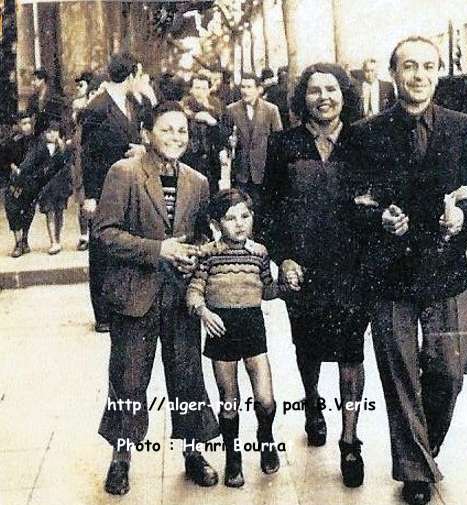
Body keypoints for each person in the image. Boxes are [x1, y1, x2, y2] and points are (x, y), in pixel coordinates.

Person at [348, 36, 467, 505]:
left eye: (428, 66)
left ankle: (422, 452)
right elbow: (352, 202)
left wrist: (462, 218)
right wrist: (378, 218)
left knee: (449, 371)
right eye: (409, 66)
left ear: (438, 73)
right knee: (399, 372)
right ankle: (416, 474)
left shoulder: (464, 129)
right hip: (390, 275)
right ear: (393, 74)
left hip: (446, 272)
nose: (419, 75)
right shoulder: (366, 133)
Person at [93, 101, 219, 496]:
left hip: (179, 298)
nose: (176, 138)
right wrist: (158, 249)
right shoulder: (124, 173)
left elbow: (198, 237)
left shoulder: (198, 181)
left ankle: (193, 451)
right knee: (129, 380)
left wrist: (197, 254)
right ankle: (121, 457)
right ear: (148, 133)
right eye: (167, 130)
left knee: (187, 377)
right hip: (135, 296)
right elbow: (105, 233)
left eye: (182, 131)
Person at [263, 62, 371, 488]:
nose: (323, 97)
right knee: (306, 345)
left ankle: (350, 440)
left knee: (350, 351)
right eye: (313, 90)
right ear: (301, 98)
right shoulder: (283, 143)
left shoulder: (363, 141)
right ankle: (312, 404)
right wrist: (283, 258)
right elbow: (268, 210)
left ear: (344, 93)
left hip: (352, 268)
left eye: (331, 89)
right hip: (301, 269)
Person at [187, 188, 294, 488]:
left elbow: (268, 290)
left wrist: (287, 288)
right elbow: (194, 290)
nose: (239, 224)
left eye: (245, 216)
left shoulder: (260, 253)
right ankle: (233, 458)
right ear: (216, 224)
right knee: (229, 400)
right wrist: (204, 312)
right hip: (221, 332)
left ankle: (266, 437)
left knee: (266, 399)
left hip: (252, 329)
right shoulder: (208, 254)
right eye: (230, 218)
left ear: (253, 218)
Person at [81, 53, 145, 333]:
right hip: (104, 187)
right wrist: (90, 197)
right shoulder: (97, 108)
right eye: (138, 75)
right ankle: (102, 314)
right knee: (101, 250)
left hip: (127, 184)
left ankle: (122, 304)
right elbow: (87, 156)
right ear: (130, 75)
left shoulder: (132, 103)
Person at [221, 72, 282, 224]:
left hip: (263, 172)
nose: (245, 91)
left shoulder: (271, 110)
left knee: (263, 212)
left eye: (249, 87)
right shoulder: (231, 110)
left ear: (258, 89)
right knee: (241, 211)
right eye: (243, 87)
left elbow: (279, 142)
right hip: (241, 173)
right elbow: (225, 140)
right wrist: (229, 143)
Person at [2, 111, 39, 257]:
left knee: (29, 212)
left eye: (29, 123)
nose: (27, 126)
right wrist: (11, 166)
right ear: (18, 125)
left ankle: (25, 239)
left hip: (30, 183)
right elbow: (4, 161)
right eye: (24, 123)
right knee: (13, 211)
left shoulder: (35, 142)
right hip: (13, 183)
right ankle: (17, 243)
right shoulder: (10, 142)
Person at [181, 74, 224, 193]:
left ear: (209, 90)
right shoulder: (185, 105)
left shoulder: (216, 105)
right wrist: (195, 116)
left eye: (204, 88)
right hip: (191, 158)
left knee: (211, 191)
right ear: (191, 89)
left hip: (211, 159)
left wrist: (212, 122)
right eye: (197, 88)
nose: (200, 92)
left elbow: (222, 132)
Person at [36, 121, 72, 254]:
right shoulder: (39, 147)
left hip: (60, 186)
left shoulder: (63, 147)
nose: (52, 134)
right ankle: (53, 242)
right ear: (45, 133)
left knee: (59, 213)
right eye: (49, 131)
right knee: (49, 213)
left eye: (55, 131)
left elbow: (68, 166)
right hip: (46, 187)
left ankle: (58, 238)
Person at [71, 71, 94, 251]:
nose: (78, 88)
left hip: (92, 157)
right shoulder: (77, 106)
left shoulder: (94, 106)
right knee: (82, 198)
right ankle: (84, 235)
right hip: (79, 157)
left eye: (82, 85)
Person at [27, 68, 64, 135]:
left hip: (51, 133)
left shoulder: (54, 97)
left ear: (42, 80)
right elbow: (29, 114)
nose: (32, 83)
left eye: (35, 80)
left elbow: (58, 118)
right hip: (37, 133)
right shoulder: (32, 98)